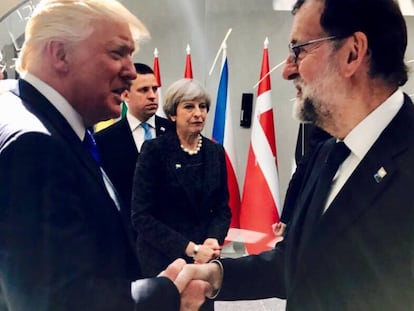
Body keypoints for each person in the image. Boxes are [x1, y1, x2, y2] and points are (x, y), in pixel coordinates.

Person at [173, 0, 414, 310]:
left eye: (300, 49)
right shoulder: (328, 153)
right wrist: (215, 276)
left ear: (353, 52)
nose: (287, 69)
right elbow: (297, 263)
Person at [0, 0, 206, 310]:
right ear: (60, 54)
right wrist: (165, 294)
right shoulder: (35, 146)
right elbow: (55, 302)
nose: (129, 73)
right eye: (117, 53)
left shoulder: (19, 106)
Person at [131, 78, 232, 311]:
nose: (198, 113)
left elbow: (222, 208)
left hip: (203, 262)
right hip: (162, 260)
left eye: (202, 107)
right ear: (173, 114)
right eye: (189, 106)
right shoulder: (154, 151)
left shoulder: (215, 151)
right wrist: (190, 248)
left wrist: (213, 239)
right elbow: (141, 216)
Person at [94, 63, 173, 226]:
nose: (152, 95)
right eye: (144, 90)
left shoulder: (176, 133)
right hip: (128, 235)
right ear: (125, 95)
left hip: (175, 237)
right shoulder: (104, 140)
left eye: (155, 89)